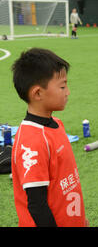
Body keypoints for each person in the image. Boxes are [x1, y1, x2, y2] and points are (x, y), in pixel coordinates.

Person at [10, 48, 87, 227]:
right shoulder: (32, 141)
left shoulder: (57, 124)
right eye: (62, 86)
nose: (68, 92)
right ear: (37, 93)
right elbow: (37, 205)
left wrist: (80, 219)